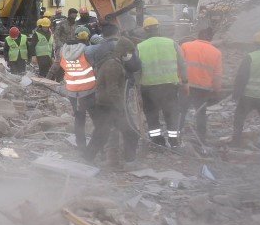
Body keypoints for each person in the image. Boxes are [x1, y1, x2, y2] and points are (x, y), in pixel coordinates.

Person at [84, 36, 140, 166]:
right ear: (123, 51)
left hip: (106, 104)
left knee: (101, 134)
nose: (130, 56)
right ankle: (130, 161)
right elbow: (112, 88)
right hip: (110, 106)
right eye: (129, 53)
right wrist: (121, 106)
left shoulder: (113, 62)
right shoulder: (113, 65)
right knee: (131, 133)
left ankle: (87, 157)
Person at [136, 16, 188, 148]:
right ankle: (174, 142)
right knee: (171, 114)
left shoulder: (140, 47)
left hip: (148, 87)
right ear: (158, 28)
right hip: (169, 86)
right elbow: (182, 63)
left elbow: (136, 69)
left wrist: (137, 88)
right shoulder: (171, 43)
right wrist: (185, 81)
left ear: (145, 30)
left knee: (152, 115)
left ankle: (157, 142)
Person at [51, 25, 95, 150]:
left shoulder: (63, 51)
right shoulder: (87, 51)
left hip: (72, 91)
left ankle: (81, 145)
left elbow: (60, 66)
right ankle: (97, 147)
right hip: (88, 90)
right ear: (87, 38)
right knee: (96, 117)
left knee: (79, 119)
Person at [179, 28, 223, 143]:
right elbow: (217, 75)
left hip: (186, 86)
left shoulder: (186, 46)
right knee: (201, 114)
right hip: (203, 89)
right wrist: (217, 91)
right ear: (211, 38)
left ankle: (177, 135)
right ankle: (201, 138)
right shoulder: (216, 52)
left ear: (198, 36)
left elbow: (179, 65)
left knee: (181, 111)